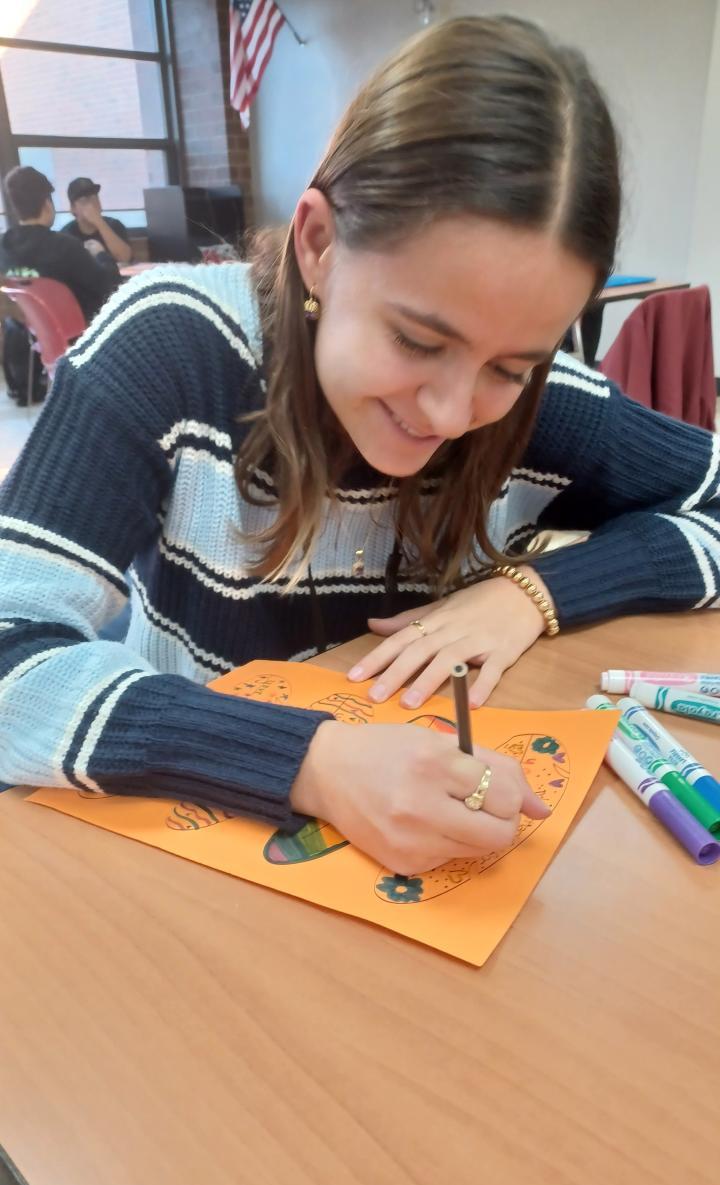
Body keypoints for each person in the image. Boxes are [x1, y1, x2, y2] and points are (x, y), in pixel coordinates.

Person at [0, 18, 718, 878]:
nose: (452, 411)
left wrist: (531, 592)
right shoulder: (169, 347)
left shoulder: (537, 406)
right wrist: (310, 762)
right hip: (187, 836)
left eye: (511, 365)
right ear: (318, 244)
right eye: (417, 340)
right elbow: (11, 649)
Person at [0, 166, 119, 322]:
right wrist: (101, 254)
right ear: (47, 204)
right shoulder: (65, 246)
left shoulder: (4, 246)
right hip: (84, 330)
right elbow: (109, 287)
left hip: (37, 330)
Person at [61, 177, 132, 267]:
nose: (91, 205)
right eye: (84, 201)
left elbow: (125, 258)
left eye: (94, 199)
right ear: (73, 208)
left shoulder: (114, 225)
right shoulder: (66, 234)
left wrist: (99, 222)